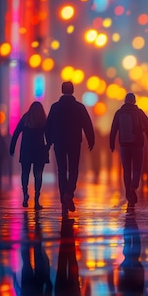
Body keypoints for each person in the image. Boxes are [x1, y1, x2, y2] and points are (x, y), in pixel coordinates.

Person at [45, 81, 95, 216]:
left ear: (62, 90)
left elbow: (48, 125)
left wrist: (49, 141)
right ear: (73, 91)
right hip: (74, 142)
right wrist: (91, 139)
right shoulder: (79, 107)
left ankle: (63, 199)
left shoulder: (55, 107)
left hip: (59, 142)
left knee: (61, 170)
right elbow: (87, 124)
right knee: (73, 169)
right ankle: (69, 193)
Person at [109, 93, 148, 208]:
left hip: (124, 145)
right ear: (134, 101)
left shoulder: (119, 113)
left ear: (125, 101)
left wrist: (112, 143)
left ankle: (129, 195)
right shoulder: (140, 113)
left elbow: (113, 129)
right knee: (137, 169)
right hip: (138, 145)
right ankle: (133, 186)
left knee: (127, 170)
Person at [10, 102, 49, 209]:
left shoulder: (25, 118)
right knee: (38, 175)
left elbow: (16, 133)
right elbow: (49, 135)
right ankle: (36, 200)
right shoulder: (43, 120)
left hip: (26, 150)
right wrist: (48, 146)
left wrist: (12, 148)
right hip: (39, 151)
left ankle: (25, 194)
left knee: (25, 173)